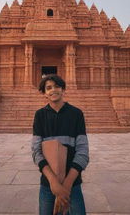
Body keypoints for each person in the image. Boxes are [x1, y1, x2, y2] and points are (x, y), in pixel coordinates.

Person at [32, 74, 89, 215]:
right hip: (48, 183)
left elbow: (82, 152)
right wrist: (54, 182)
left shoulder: (76, 114)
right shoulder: (40, 115)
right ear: (44, 93)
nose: (53, 90)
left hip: (73, 183)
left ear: (63, 89)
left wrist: (66, 185)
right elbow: (36, 151)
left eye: (57, 86)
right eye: (48, 88)